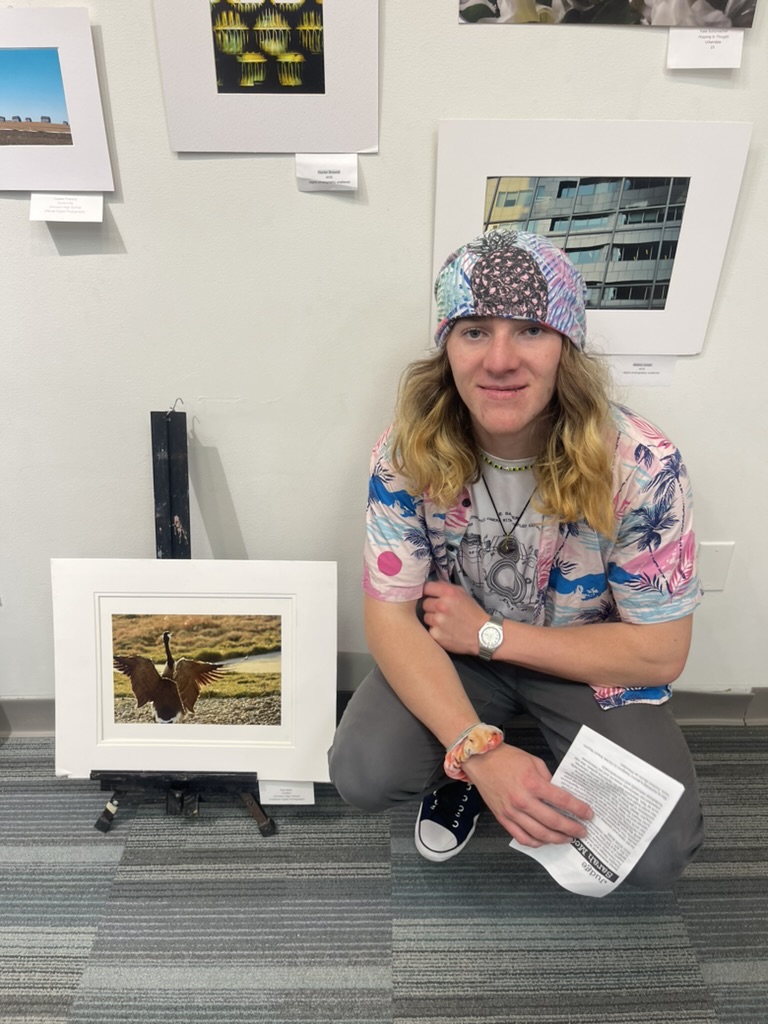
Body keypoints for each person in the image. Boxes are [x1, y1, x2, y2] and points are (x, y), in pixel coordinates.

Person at [329, 228, 703, 890]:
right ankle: (469, 770)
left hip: (580, 662)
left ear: (566, 348)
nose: (500, 360)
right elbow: (388, 618)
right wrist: (478, 752)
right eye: (475, 331)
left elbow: (660, 653)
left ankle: (531, 758)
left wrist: (492, 634)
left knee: (656, 852)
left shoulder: (642, 466)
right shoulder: (406, 453)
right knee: (364, 769)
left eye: (530, 330)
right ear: (447, 347)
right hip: (458, 656)